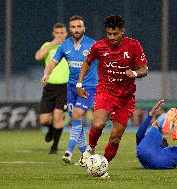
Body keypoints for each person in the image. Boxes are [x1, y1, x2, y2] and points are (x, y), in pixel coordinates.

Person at [77, 15, 149, 178]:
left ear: (122, 31)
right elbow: (87, 62)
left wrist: (135, 73)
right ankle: (90, 149)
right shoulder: (99, 46)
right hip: (106, 91)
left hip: (125, 97)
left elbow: (145, 69)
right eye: (109, 34)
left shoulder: (133, 45)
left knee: (115, 138)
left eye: (115, 34)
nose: (112, 37)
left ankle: (101, 166)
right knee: (99, 123)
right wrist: (79, 84)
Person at [41, 16, 98, 163]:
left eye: (79, 26)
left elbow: (107, 61)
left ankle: (68, 151)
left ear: (84, 28)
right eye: (73, 27)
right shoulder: (65, 46)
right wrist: (47, 74)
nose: (76, 29)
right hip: (71, 89)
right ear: (70, 29)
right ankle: (87, 156)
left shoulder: (93, 45)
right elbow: (53, 63)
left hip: (88, 87)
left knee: (77, 115)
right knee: (76, 122)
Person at [136, 99, 177, 170]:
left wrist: (151, 114)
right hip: (162, 162)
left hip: (145, 155)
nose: (165, 140)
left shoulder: (147, 145)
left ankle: (166, 122)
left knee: (162, 118)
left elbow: (139, 134)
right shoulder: (168, 153)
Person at [35, 23, 68, 154]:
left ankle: (54, 147)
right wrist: (52, 43)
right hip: (49, 87)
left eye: (62, 33)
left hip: (64, 87)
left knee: (58, 116)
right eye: (57, 33)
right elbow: (38, 56)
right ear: (53, 34)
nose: (60, 35)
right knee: (44, 120)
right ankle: (50, 129)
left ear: (66, 34)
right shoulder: (47, 45)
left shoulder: (70, 46)